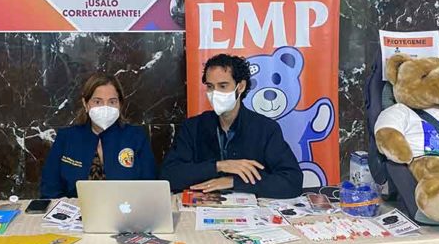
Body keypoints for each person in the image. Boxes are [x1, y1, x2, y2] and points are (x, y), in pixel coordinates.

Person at [161, 54, 302, 199]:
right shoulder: (193, 127)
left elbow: (292, 181)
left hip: (250, 210)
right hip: (204, 207)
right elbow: (168, 176)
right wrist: (218, 166)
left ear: (240, 86)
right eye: (210, 87)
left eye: (223, 86)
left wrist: (233, 182)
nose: (215, 93)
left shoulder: (265, 129)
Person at [40, 73, 156, 198]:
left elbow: (150, 188)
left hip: (125, 208)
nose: (105, 108)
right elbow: (49, 190)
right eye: (97, 101)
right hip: (75, 209)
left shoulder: (136, 137)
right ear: (86, 104)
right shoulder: (66, 138)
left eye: (112, 102)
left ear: (120, 105)